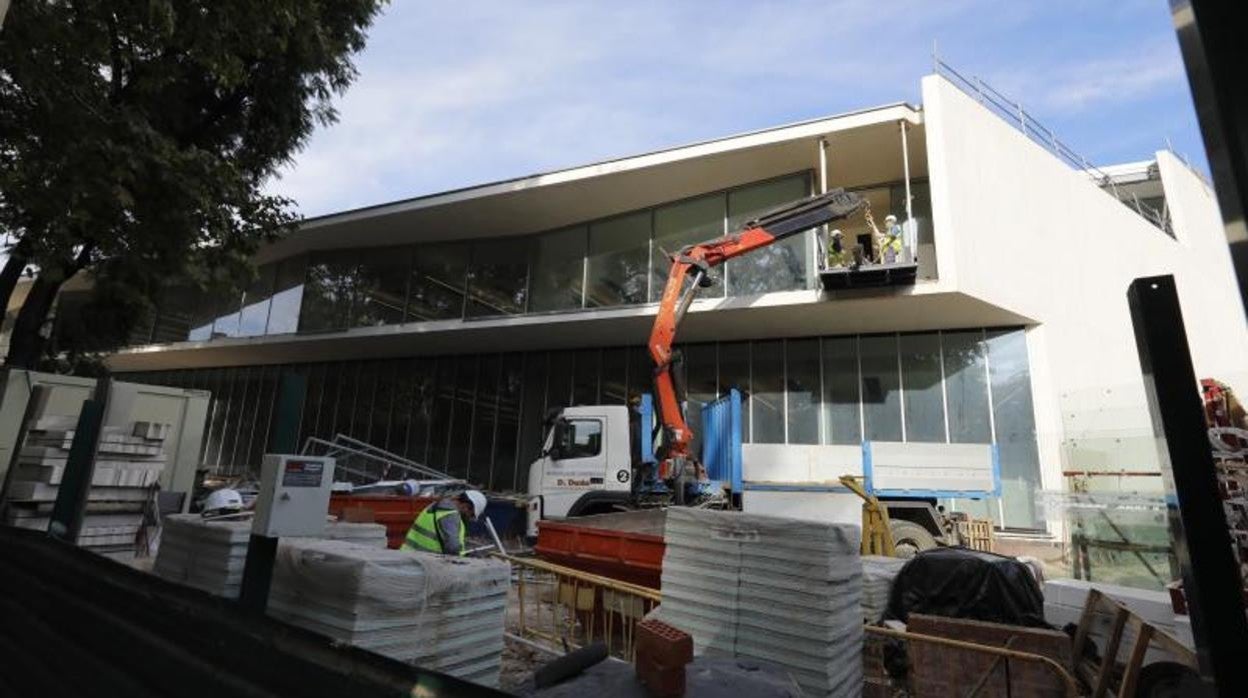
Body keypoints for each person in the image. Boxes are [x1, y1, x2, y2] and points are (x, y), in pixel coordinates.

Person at [400, 489, 487, 556]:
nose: (469, 517)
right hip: (425, 563)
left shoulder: (435, 505)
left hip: (408, 555)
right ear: (466, 506)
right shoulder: (450, 516)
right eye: (471, 514)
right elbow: (453, 548)